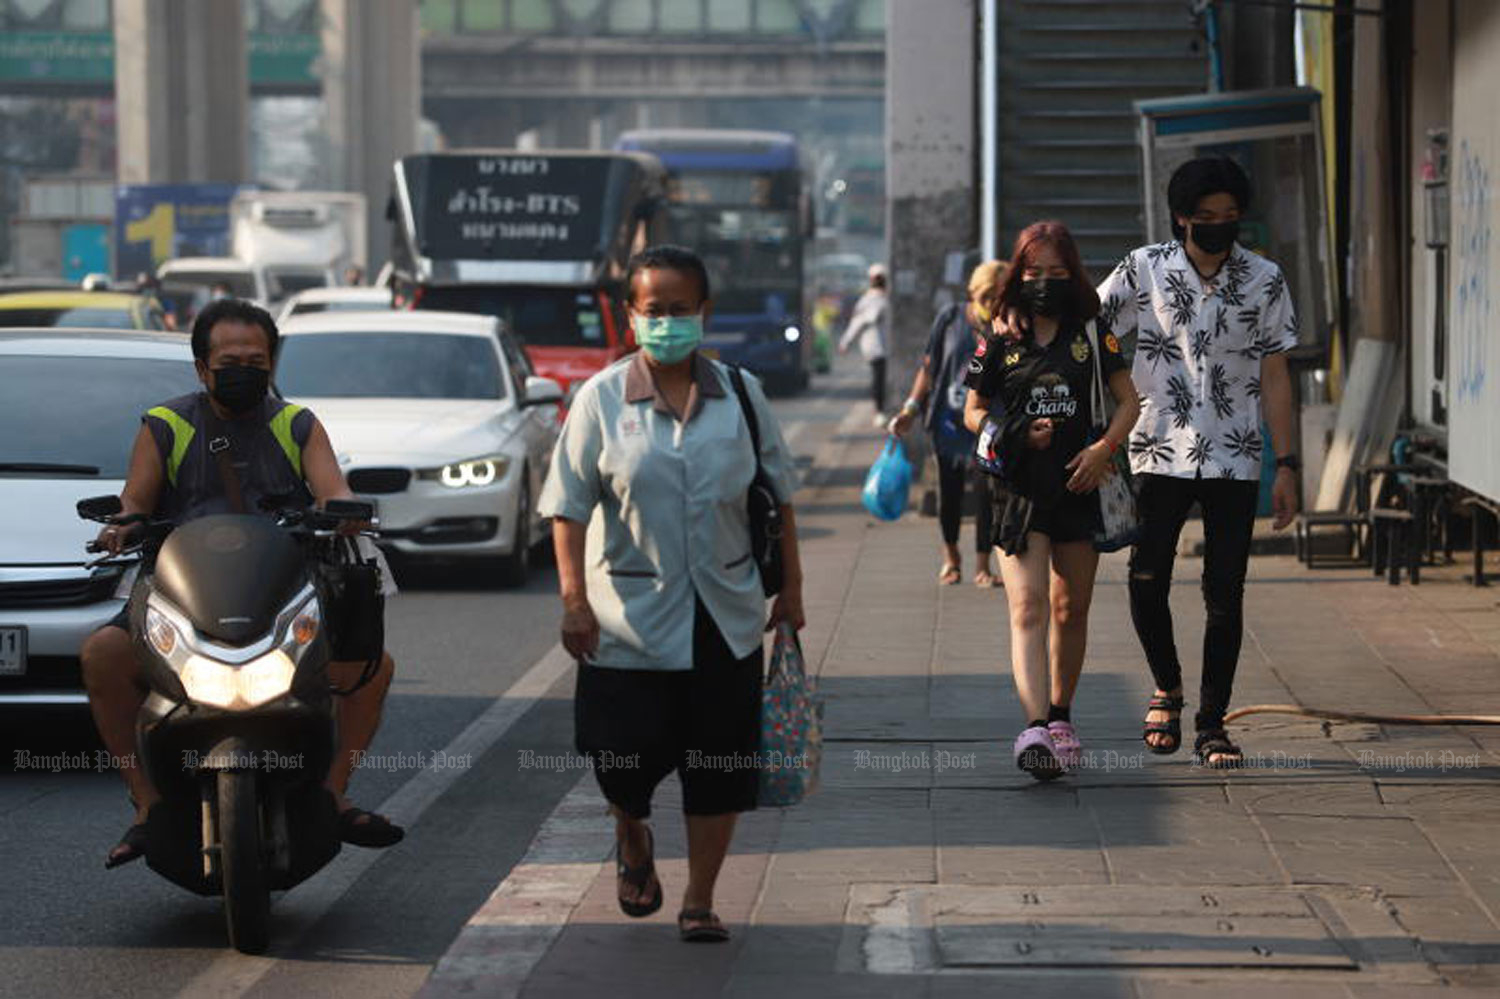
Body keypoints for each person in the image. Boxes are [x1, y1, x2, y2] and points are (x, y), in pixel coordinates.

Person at [539, 245, 804, 944]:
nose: (667, 323)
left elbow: (777, 497)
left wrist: (793, 593)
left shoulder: (743, 395)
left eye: (680, 310)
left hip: (727, 614)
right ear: (631, 316)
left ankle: (700, 898)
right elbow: (565, 507)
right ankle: (631, 833)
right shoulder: (599, 399)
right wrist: (573, 599)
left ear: (703, 313)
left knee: (718, 766)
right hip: (626, 621)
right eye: (653, 311)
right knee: (620, 759)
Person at [80, 298, 403, 869]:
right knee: (102, 653)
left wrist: (345, 509)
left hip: (285, 591)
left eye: (256, 361)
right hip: (179, 595)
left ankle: (333, 794)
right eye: (230, 360)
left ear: (273, 364)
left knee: (371, 666)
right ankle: (147, 805)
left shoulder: (296, 423)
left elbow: (333, 490)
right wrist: (122, 526)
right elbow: (135, 499)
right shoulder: (165, 424)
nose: (243, 371)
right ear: (202, 367)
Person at [1096, 156, 1300, 768]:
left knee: (1225, 592)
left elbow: (1276, 375)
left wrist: (1288, 463)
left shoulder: (1265, 278)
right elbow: (1092, 328)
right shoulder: (1145, 269)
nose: (1219, 226)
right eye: (1206, 217)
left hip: (1237, 457)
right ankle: (1167, 686)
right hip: (1157, 445)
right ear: (1182, 217)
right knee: (1146, 575)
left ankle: (1213, 723)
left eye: (1230, 216)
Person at [963, 222, 1140, 780]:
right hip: (1017, 489)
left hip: (1079, 485)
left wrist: (1103, 450)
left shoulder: (1093, 330)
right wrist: (1014, 434)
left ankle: (1062, 716)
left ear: (1074, 274)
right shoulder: (999, 337)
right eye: (1034, 272)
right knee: (1029, 606)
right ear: (1018, 274)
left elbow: (1129, 402)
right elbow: (973, 410)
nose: (1044, 282)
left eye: (1057, 273)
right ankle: (1033, 728)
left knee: (1071, 608)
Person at [890, 258, 1007, 587]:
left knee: (987, 493)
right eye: (987, 295)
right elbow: (929, 368)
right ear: (974, 291)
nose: (991, 303)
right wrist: (910, 409)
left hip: (987, 422)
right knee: (949, 494)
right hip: (948, 422)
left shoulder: (1006, 324)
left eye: (999, 295)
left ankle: (984, 565)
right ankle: (951, 558)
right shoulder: (951, 317)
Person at [839, 263, 890, 425]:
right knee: (878, 379)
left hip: (886, 347)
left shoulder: (887, 300)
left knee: (882, 379)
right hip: (874, 347)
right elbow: (856, 324)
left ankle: (882, 409)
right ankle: (879, 410)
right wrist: (845, 341)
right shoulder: (867, 301)